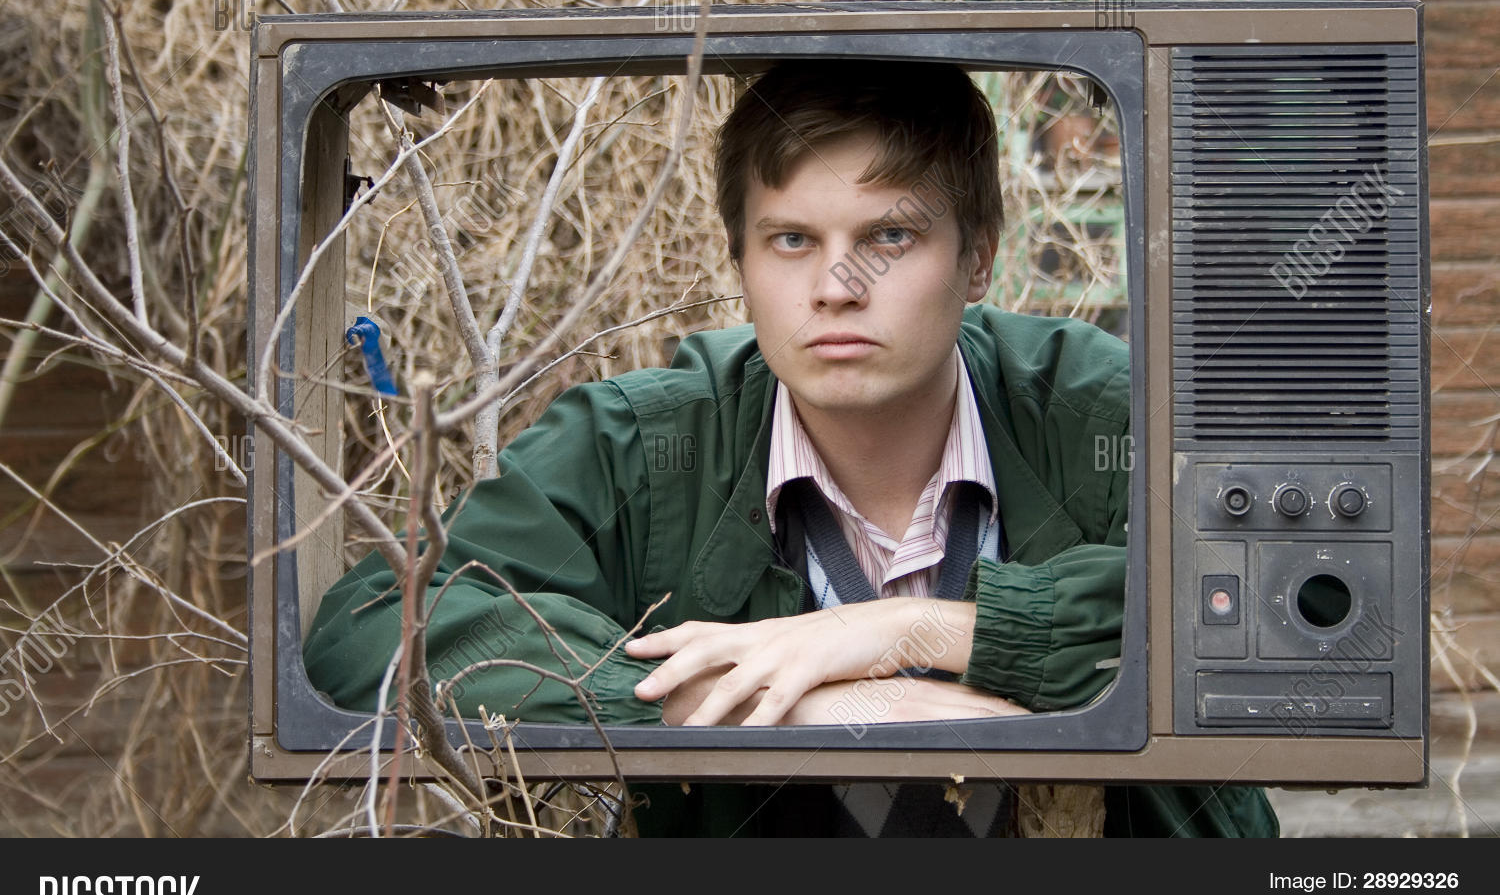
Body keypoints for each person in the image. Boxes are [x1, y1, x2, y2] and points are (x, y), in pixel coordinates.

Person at [304, 60, 1278, 837]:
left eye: (889, 235)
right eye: (792, 240)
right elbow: (378, 626)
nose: (837, 287)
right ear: (740, 261)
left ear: (978, 255)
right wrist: (756, 700)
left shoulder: (1096, 410)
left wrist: (913, 633)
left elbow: (1284, 609)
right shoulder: (644, 444)